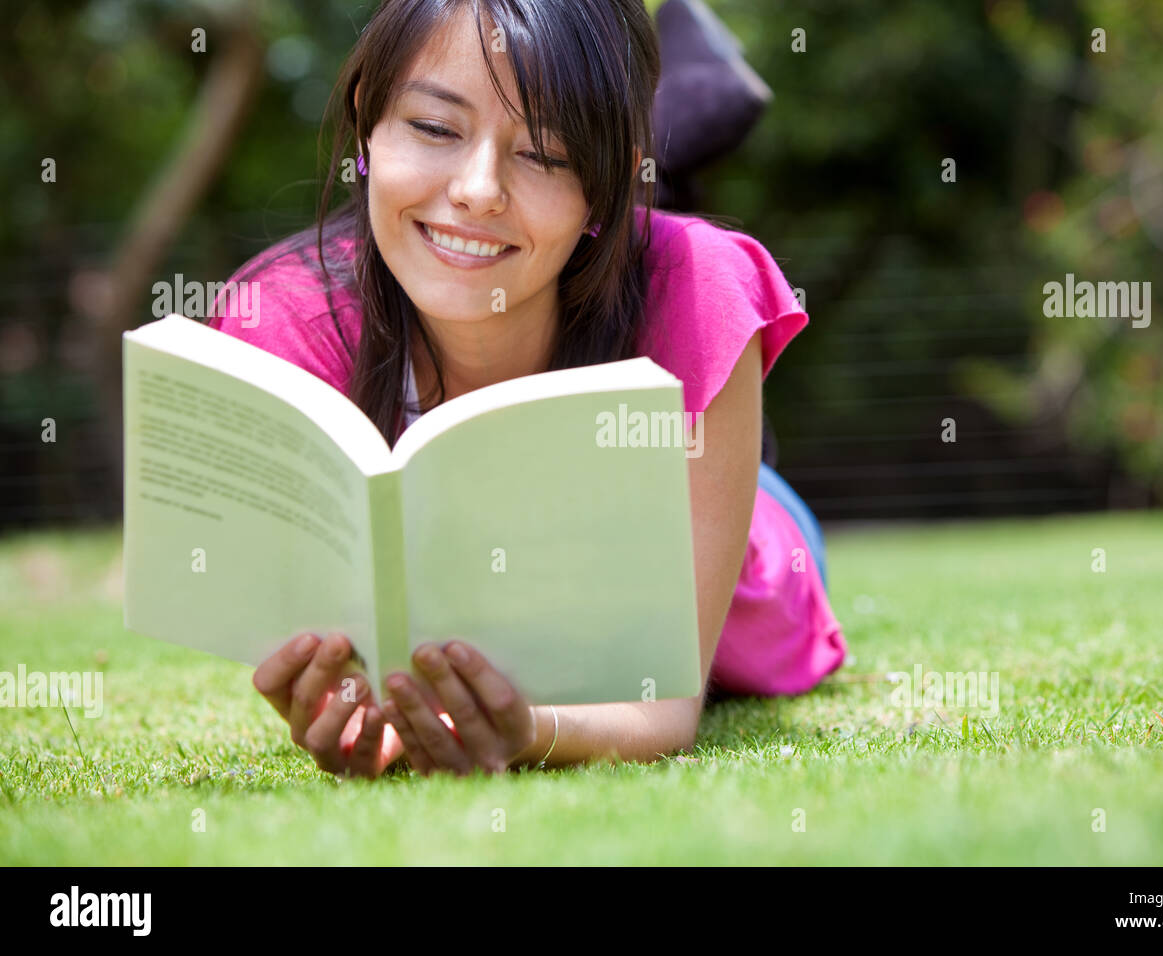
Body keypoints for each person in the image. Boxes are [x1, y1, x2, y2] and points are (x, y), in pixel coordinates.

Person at [206, 0, 845, 777]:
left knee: (643, 267)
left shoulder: (699, 290)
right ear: (366, 121)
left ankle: (657, 157)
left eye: (545, 154)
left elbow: (665, 708)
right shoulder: (285, 322)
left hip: (749, 528)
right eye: (435, 129)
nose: (477, 189)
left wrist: (528, 729)